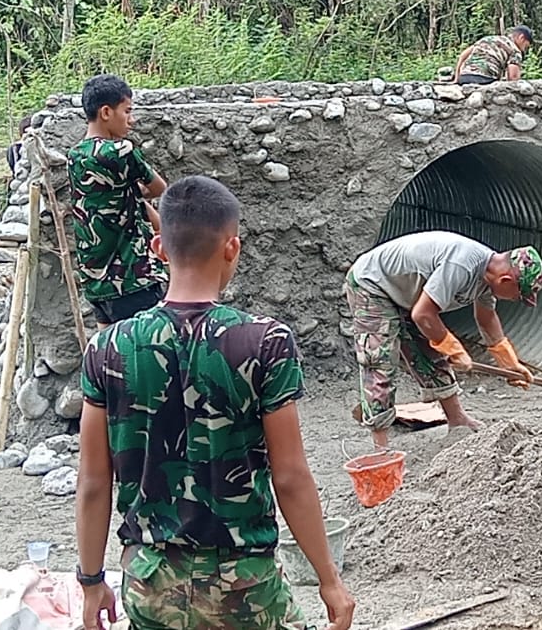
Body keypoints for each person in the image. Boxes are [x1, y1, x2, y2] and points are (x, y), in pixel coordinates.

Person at [76, 175, 355, 630]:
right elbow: (289, 476)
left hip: (150, 584)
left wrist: (91, 582)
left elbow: (92, 480)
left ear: (159, 248)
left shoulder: (108, 347)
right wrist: (329, 579)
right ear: (232, 248)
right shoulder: (265, 342)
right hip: (244, 588)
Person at [345, 231, 542, 449]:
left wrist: (510, 363)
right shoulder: (462, 265)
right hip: (372, 285)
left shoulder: (488, 278)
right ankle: (381, 448)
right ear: (506, 280)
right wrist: (455, 350)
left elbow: (487, 318)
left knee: (430, 349)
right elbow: (423, 314)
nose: (516, 300)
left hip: (405, 293)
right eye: (518, 295)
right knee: (380, 359)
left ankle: (457, 419)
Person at [68, 75, 169, 327]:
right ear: (105, 112)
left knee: (108, 357)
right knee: (148, 356)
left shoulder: (75, 156)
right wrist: (138, 191)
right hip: (132, 278)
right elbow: (159, 187)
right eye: (127, 111)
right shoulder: (121, 150)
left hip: (96, 283)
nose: (131, 120)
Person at [452, 25, 534, 84]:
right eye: (525, 46)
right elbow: (513, 78)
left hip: (464, 77)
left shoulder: (488, 39)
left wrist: (457, 78)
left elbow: (463, 55)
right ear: (521, 38)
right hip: (485, 79)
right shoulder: (515, 50)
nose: (524, 50)